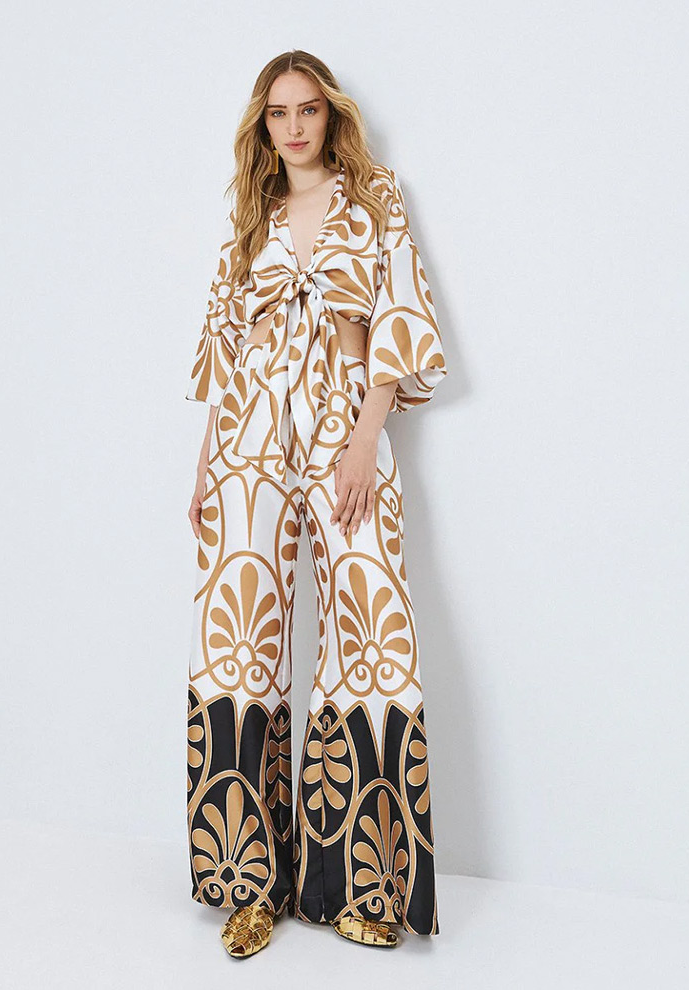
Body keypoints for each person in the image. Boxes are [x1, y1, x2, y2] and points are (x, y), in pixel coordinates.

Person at [185, 49, 447, 958]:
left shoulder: (376, 199)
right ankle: (248, 885)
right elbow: (225, 351)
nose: (294, 126)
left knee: (371, 633)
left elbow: (399, 321)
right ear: (262, 125)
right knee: (238, 645)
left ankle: (358, 886)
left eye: (308, 109)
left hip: (345, 427)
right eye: (278, 112)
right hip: (251, 436)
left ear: (331, 114)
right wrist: (207, 464)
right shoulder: (249, 217)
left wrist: (367, 438)